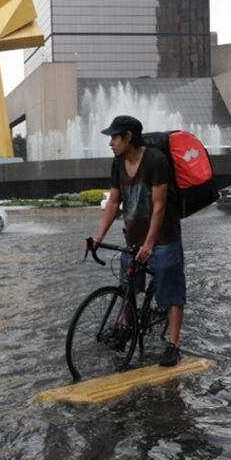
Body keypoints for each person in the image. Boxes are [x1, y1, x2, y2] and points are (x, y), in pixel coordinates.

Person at [89, 115, 186, 367]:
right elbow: (113, 202)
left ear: (128, 137)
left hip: (163, 238)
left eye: (114, 137)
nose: (110, 142)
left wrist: (150, 244)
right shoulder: (118, 163)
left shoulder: (156, 160)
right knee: (128, 285)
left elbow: (159, 205)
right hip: (133, 238)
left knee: (171, 290)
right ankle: (126, 328)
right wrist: (99, 236)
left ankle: (173, 345)